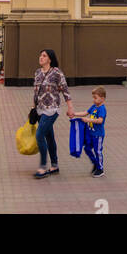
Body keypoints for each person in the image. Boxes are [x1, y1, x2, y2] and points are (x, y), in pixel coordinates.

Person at [32, 48, 74, 178]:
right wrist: (33, 107)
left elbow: (65, 90)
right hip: (39, 110)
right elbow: (35, 91)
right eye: (40, 56)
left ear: (50, 59)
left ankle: (43, 167)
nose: (41, 58)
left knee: (39, 135)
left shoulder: (56, 72)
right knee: (49, 137)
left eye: (44, 56)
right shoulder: (38, 72)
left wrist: (70, 108)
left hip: (52, 109)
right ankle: (54, 165)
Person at [72, 86, 107, 177]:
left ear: (102, 98)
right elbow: (85, 113)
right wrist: (74, 114)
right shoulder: (94, 107)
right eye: (93, 97)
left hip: (98, 135)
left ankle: (100, 169)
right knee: (87, 148)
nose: (93, 100)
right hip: (91, 134)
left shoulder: (102, 108)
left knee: (97, 151)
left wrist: (88, 120)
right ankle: (95, 163)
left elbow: (100, 120)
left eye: (95, 98)